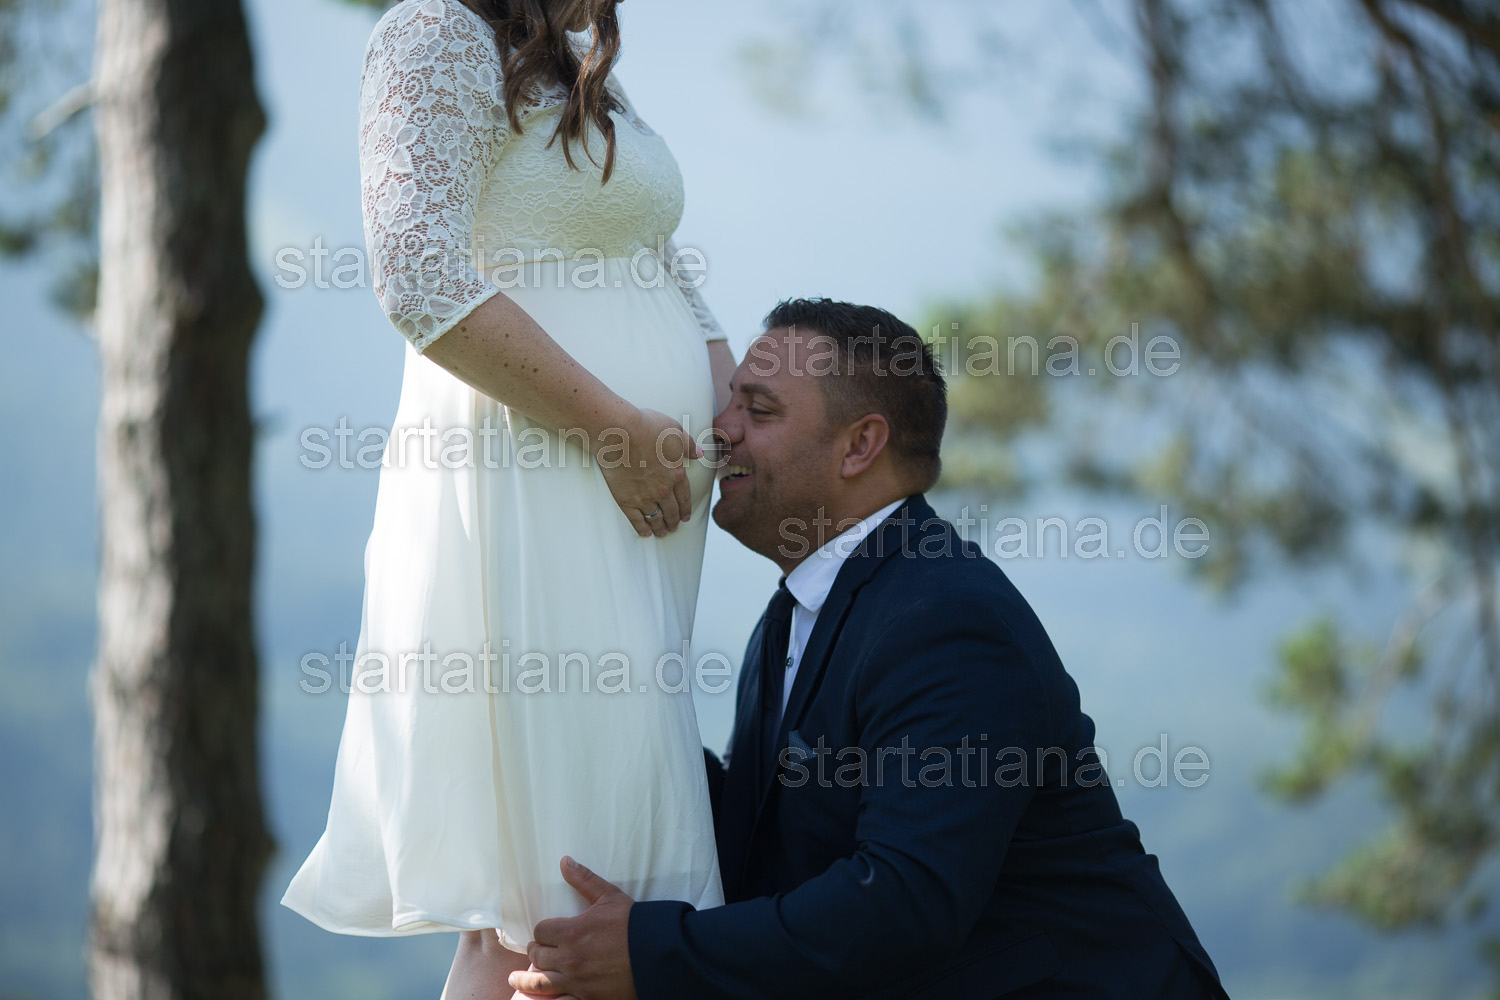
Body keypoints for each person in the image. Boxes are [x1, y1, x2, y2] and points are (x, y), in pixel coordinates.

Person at [507, 299, 1231, 1000]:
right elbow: (765, 837)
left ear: (860, 446)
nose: (719, 429)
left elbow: (905, 901)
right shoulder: (798, 612)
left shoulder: (945, 621)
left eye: (759, 410)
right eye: (730, 403)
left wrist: (650, 954)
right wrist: (591, 714)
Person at [279, 0, 735, 996]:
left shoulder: (571, 62)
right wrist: (612, 427)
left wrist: (734, 423)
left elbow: (652, 260)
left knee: (565, 908)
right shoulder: (435, 32)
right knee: (562, 902)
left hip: (636, 505)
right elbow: (416, 274)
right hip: (537, 484)